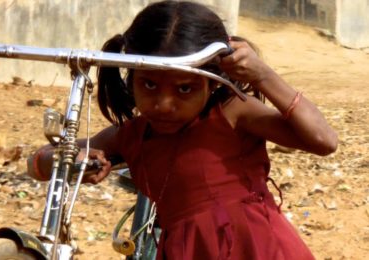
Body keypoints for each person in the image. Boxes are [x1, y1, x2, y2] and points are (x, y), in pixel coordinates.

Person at [27, 1, 338, 259]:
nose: (164, 103)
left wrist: (263, 76)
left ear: (213, 82)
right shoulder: (132, 135)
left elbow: (324, 141)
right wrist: (74, 160)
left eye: (185, 89)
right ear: (130, 76)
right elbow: (36, 164)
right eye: (148, 84)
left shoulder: (232, 114)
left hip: (255, 247)